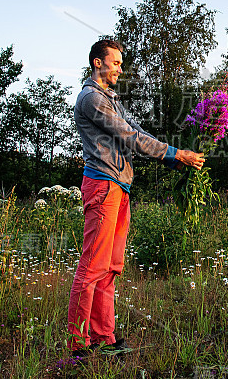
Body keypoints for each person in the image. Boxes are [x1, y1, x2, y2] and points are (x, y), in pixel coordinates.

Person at [67, 39, 205, 357]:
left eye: (120, 63)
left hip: (119, 186)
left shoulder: (110, 99)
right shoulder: (91, 98)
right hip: (102, 186)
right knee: (92, 266)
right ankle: (77, 344)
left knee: (111, 267)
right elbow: (129, 137)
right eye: (115, 62)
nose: (120, 68)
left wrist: (175, 157)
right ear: (97, 63)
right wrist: (175, 154)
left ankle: (104, 337)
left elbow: (137, 130)